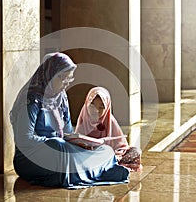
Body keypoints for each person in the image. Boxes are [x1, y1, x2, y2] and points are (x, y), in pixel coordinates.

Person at [9, 52, 130, 189]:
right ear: (50, 75)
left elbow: (67, 132)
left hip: (60, 152)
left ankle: (99, 168)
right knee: (59, 146)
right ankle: (93, 171)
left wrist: (81, 142)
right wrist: (53, 142)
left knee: (104, 150)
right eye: (63, 78)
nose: (66, 84)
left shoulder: (61, 97)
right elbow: (25, 139)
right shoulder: (31, 100)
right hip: (31, 158)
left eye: (69, 79)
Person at [75, 86, 142, 172]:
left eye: (101, 107)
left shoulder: (109, 121)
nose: (96, 111)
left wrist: (111, 152)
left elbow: (121, 147)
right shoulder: (83, 119)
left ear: (107, 109)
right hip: (88, 155)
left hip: (107, 156)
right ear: (87, 104)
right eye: (92, 106)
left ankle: (106, 165)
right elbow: (77, 144)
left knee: (135, 151)